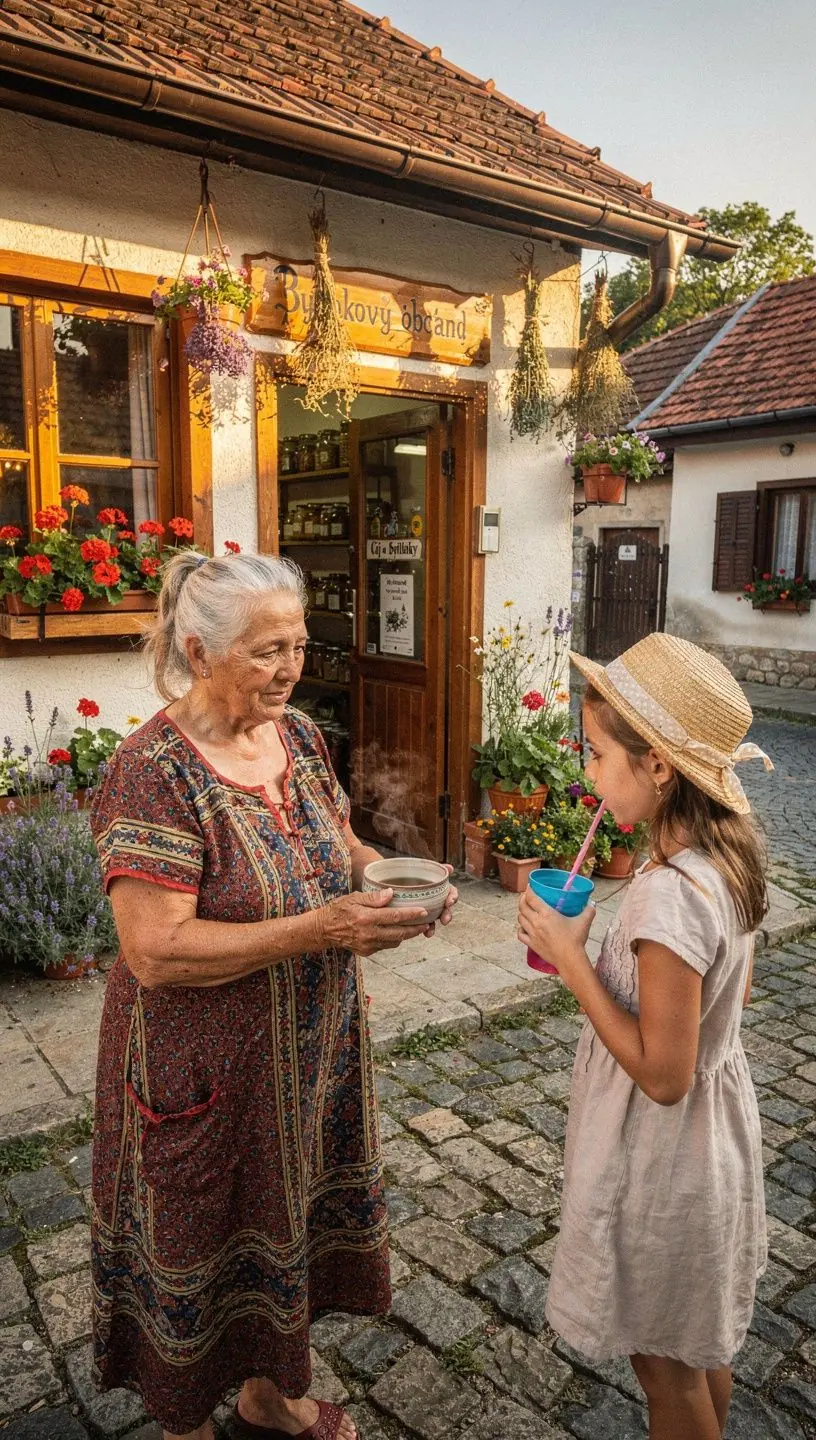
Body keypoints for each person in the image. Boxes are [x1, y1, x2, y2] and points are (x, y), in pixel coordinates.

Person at [89, 550, 457, 1440]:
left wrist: (394, 879)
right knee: (196, 1241)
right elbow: (156, 951)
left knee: (283, 1223)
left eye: (297, 645)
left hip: (309, 1055)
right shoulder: (154, 771)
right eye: (266, 651)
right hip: (198, 1073)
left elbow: (341, 841)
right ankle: (186, 1423)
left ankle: (267, 1394)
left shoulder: (294, 737)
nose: (291, 667)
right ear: (198, 650)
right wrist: (323, 929)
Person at [517, 634, 772, 1440]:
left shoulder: (666, 901)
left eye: (596, 755)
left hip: (664, 1161)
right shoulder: (724, 860)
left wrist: (572, 961)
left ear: (658, 766)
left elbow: (665, 1075)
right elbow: (720, 1018)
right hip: (712, 1146)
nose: (588, 774)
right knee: (693, 1350)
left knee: (664, 1371)